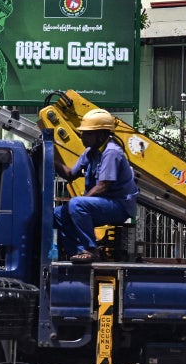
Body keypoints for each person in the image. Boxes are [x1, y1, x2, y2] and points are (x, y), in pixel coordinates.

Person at [53, 109, 139, 263]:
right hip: (101, 203)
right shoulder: (90, 152)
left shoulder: (112, 152)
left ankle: (91, 250)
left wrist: (79, 203)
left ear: (101, 135)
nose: (82, 136)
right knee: (58, 214)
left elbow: (103, 186)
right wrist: (50, 158)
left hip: (118, 206)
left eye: (87, 133)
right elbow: (70, 174)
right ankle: (78, 253)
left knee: (76, 205)